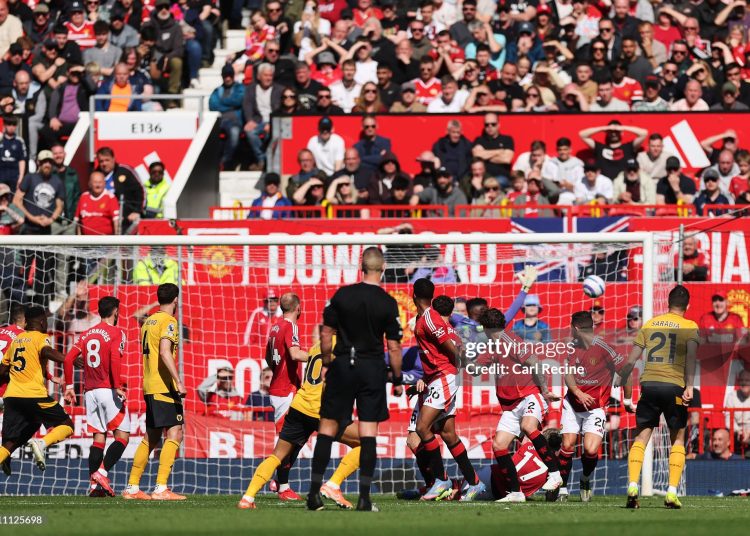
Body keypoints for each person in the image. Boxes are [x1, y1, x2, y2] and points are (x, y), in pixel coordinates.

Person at [307, 247, 404, 512]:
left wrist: (327, 363)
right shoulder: (386, 301)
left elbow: (326, 333)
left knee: (326, 429)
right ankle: (364, 498)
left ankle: (313, 494)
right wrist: (396, 379)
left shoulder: (342, 295)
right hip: (371, 367)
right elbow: (394, 347)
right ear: (382, 269)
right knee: (368, 433)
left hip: (342, 365)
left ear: (361, 268)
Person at [239, 335, 363, 510]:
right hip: (321, 411)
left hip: (299, 406)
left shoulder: (318, 345)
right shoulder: (344, 346)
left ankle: (247, 498)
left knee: (277, 455)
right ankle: (333, 485)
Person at [618, 285, 699, 509]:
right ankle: (672, 492)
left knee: (640, 439)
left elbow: (631, 361)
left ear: (667, 303)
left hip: (649, 386)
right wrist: (689, 386)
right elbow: (691, 358)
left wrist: (626, 396)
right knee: (678, 440)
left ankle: (633, 485)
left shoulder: (650, 323)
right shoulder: (690, 326)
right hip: (674, 387)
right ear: (688, 306)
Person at [476, 307, 563, 503]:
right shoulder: (492, 346)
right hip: (511, 406)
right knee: (499, 446)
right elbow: (475, 369)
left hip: (529, 396)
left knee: (528, 426)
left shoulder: (511, 341)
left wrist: (545, 390)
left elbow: (535, 362)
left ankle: (555, 474)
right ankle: (516, 492)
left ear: (488, 328)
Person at [409, 282, 484, 501]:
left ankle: (442, 480)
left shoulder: (430, 318)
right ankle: (474, 482)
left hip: (444, 377)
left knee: (422, 428)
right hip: (438, 377)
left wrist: (463, 362)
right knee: (448, 433)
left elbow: (449, 343)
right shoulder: (428, 318)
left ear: (413, 296)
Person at [552, 311, 633, 502]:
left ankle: (585, 478)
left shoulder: (606, 349)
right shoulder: (571, 347)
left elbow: (626, 373)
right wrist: (578, 392)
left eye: (571, 327)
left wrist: (628, 400)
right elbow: (568, 374)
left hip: (595, 407)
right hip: (572, 403)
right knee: (567, 444)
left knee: (590, 450)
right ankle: (562, 488)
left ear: (577, 328)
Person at [123, 283, 186, 500]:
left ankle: (132, 487)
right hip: (163, 385)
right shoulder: (169, 321)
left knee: (151, 435)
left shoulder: (149, 321)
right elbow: (166, 353)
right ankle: (161, 488)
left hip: (149, 384)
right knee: (175, 430)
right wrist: (178, 381)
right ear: (176, 300)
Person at [63, 296, 129, 497]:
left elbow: (67, 359)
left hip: (89, 392)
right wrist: (117, 386)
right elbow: (114, 359)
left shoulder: (86, 334)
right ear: (116, 311)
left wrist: (68, 386)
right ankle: (101, 473)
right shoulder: (116, 332)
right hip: (107, 390)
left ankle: (93, 486)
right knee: (123, 436)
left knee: (98, 439)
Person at [0, 306, 74, 473]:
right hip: (33, 395)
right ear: (42, 322)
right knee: (67, 425)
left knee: (12, 440)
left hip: (11, 396)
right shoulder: (41, 337)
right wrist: (68, 359)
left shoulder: (16, 341)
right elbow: (46, 351)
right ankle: (41, 443)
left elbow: (2, 371)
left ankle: (6, 456)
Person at [12, 151, 64, 306]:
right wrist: (32, 218)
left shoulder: (57, 181)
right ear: (39, 163)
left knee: (43, 271)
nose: (47, 164)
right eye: (44, 161)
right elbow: (16, 200)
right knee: (25, 268)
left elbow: (60, 204)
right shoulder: (30, 177)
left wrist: (51, 219)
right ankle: (18, 305)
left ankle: (41, 307)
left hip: (45, 232)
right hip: (28, 230)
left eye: (49, 161)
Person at [242, 63, 283, 170]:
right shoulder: (251, 89)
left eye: (270, 75)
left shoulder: (279, 90)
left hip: (273, 121)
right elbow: (247, 105)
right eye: (266, 75)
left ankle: (266, 162)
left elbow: (280, 109)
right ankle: (262, 159)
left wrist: (272, 123)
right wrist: (249, 120)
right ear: (259, 76)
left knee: (271, 133)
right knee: (249, 132)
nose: (268, 78)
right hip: (257, 121)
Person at [579, 120, 648, 180]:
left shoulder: (628, 147)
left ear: (621, 133)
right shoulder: (600, 148)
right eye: (611, 131)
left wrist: (622, 128)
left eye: (616, 131)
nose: (614, 133)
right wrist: (604, 128)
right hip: (604, 185)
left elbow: (644, 133)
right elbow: (582, 134)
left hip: (623, 184)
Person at [95, 146, 143, 230]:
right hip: (103, 220)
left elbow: (141, 191)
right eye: (101, 161)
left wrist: (137, 211)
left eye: (107, 160)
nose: (104, 164)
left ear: (113, 159)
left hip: (125, 219)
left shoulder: (125, 171)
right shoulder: (95, 174)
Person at [209, 64, 245, 169]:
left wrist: (222, 103)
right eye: (225, 76)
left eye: (230, 75)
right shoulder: (217, 90)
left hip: (234, 121)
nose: (228, 78)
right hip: (219, 121)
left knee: (234, 134)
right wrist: (231, 106)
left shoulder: (240, 88)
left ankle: (224, 161)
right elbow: (212, 105)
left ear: (233, 76)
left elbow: (239, 100)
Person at [75, 171, 120, 237]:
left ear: (104, 183)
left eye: (100, 182)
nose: (98, 185)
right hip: (85, 242)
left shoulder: (110, 197)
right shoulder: (83, 197)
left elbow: (116, 222)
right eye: (95, 182)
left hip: (105, 242)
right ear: (90, 184)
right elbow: (78, 222)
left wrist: (116, 243)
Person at [471, 113, 515, 180]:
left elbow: (507, 159)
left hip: (501, 177)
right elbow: (476, 155)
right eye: (487, 124)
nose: (490, 126)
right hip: (483, 177)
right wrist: (499, 151)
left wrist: (484, 156)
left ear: (498, 125)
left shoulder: (507, 139)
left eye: (493, 124)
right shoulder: (479, 140)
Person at [724, 370, 750, 456]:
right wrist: (739, 431)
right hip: (736, 432)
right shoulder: (732, 396)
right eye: (741, 380)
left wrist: (748, 432)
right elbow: (728, 420)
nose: (744, 383)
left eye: (747, 380)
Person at [0, 116, 25, 193]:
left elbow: (22, 160)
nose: (11, 127)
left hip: (14, 176)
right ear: (4, 125)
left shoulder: (19, 141)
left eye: (13, 125)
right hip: (1, 175)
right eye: (9, 124)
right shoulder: (0, 139)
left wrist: (21, 177)